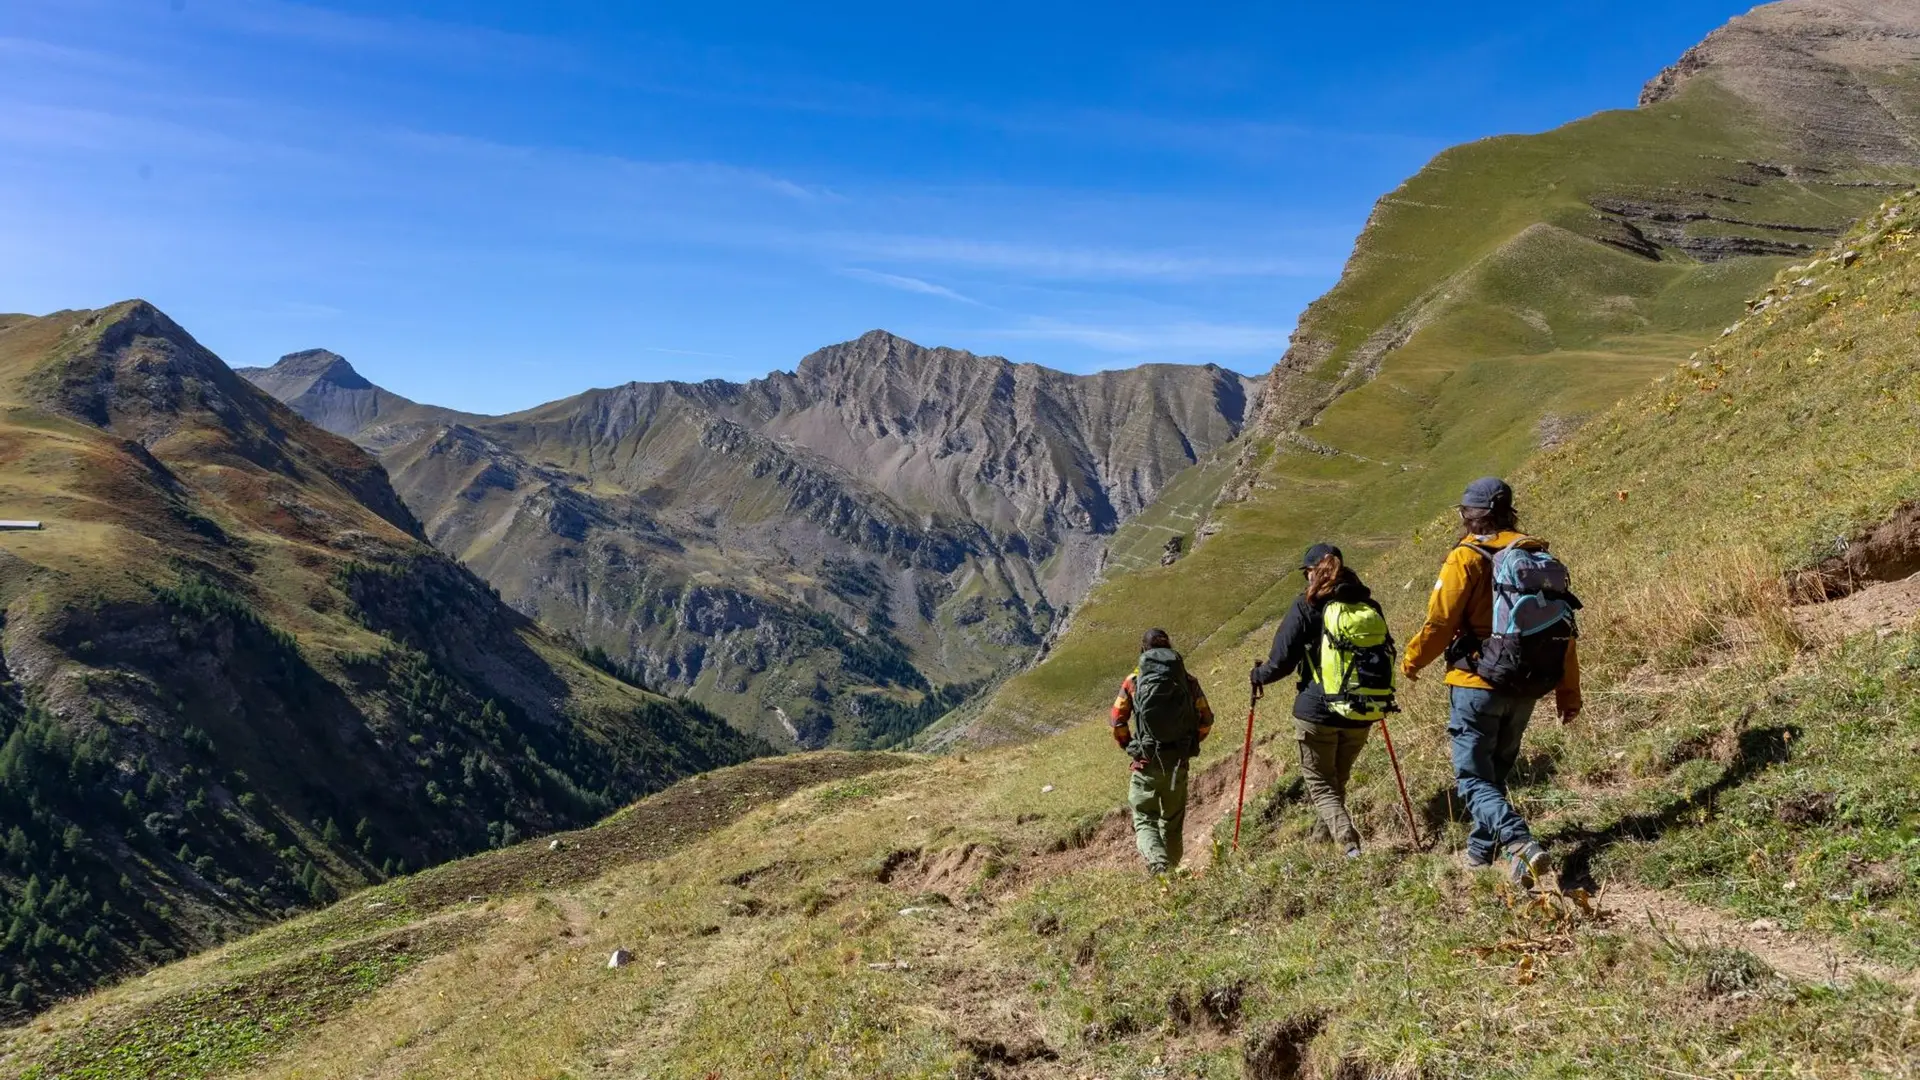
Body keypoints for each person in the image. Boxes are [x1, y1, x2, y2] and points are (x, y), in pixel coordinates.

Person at [1402, 477, 1583, 887]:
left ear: (1469, 516)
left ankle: (1520, 842)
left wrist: (1413, 660)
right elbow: (1564, 630)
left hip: (1475, 681)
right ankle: (1481, 855)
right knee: (1495, 777)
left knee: (1472, 780)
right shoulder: (1535, 556)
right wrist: (1568, 693)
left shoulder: (1466, 557)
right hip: (1526, 683)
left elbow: (1440, 622)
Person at [1250, 543, 1387, 860]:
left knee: (1322, 784)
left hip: (1317, 710)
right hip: (1362, 710)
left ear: (1313, 571)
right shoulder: (1368, 604)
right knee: (1337, 780)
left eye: (1306, 572)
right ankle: (1321, 842)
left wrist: (1258, 675)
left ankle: (1349, 844)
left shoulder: (1306, 606)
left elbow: (1282, 661)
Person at [1110, 629, 1213, 875]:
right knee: (1173, 823)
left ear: (1143, 651)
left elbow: (1117, 721)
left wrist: (1131, 747)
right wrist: (1187, 746)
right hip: (1178, 762)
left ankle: (1159, 866)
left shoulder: (1133, 682)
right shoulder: (1188, 681)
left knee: (1145, 818)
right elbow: (1206, 719)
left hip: (1147, 762)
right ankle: (1172, 872)